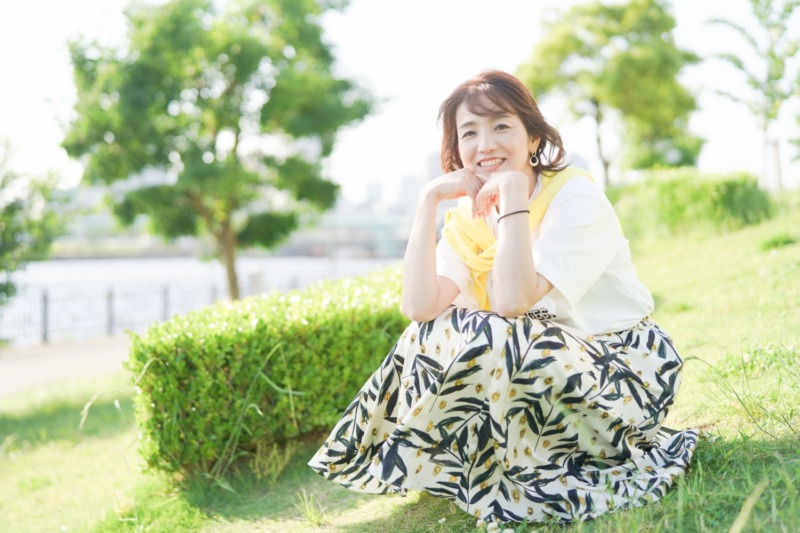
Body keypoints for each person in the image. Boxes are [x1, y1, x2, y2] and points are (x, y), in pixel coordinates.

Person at [308, 70, 697, 524]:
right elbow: (419, 307)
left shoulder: (575, 197)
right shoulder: (469, 220)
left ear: (533, 137)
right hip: (545, 372)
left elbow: (514, 301)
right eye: (469, 133)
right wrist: (427, 203)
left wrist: (513, 193)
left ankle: (529, 461)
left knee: (494, 330)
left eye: (501, 126)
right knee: (431, 330)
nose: (485, 144)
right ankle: (463, 461)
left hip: (625, 371)